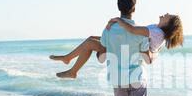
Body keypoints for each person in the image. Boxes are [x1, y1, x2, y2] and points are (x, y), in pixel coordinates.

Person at [50, 11, 183, 78]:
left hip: (127, 51)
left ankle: (70, 65)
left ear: (168, 23)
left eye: (168, 16)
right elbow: (133, 32)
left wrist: (117, 20)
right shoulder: (155, 28)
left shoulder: (158, 33)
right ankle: (69, 62)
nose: (166, 14)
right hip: (127, 46)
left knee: (90, 42)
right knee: (91, 39)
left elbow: (132, 30)